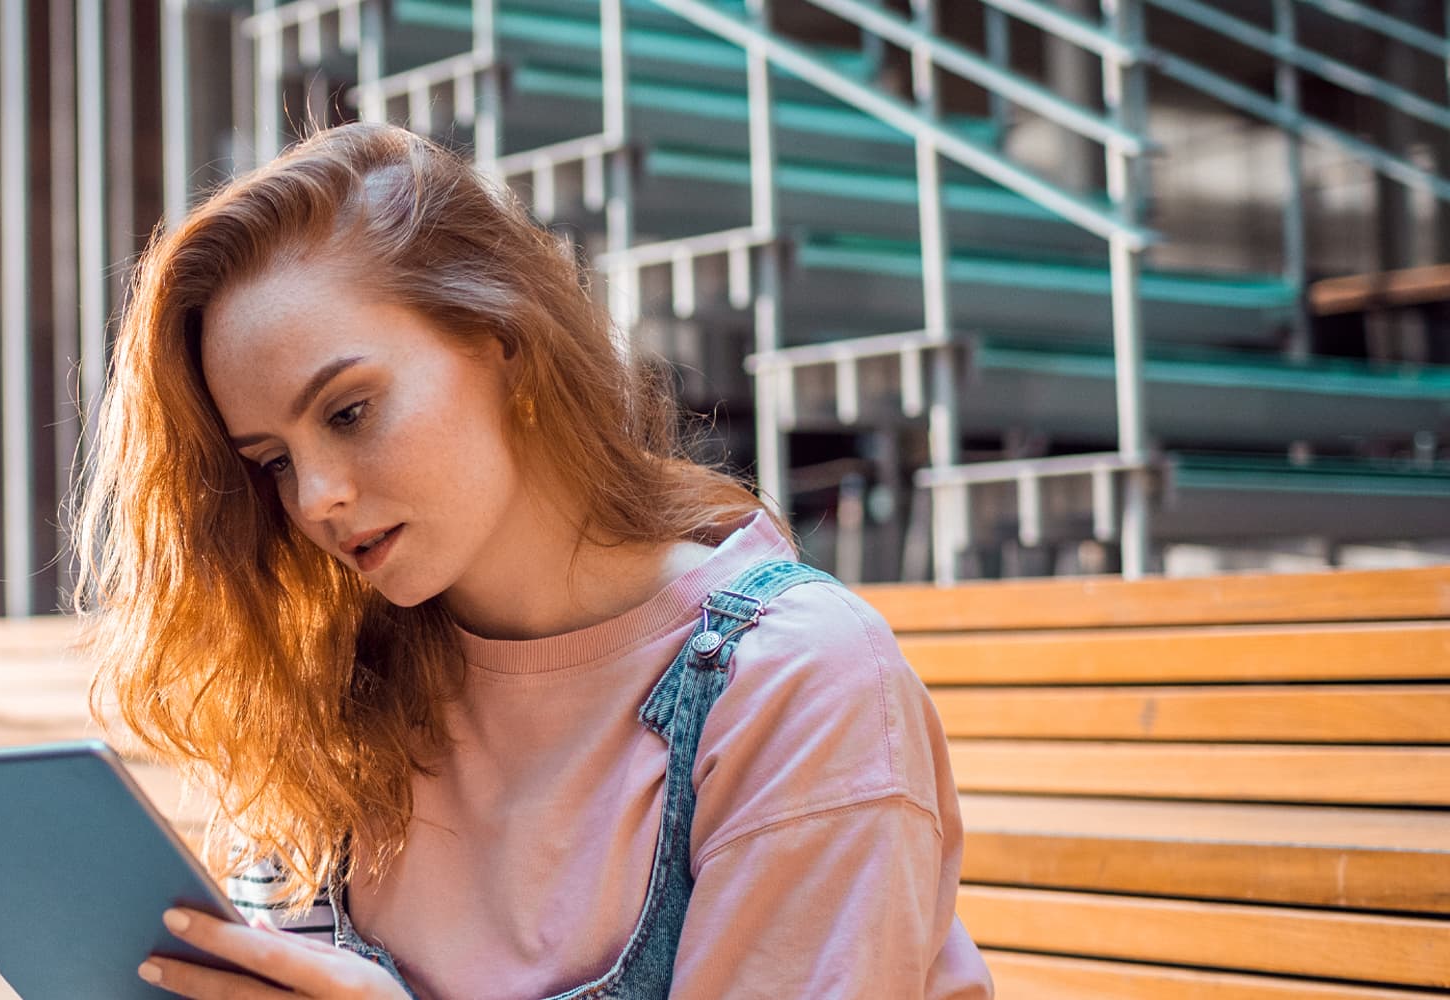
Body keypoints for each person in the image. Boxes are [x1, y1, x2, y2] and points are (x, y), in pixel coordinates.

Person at [67, 121, 994, 999]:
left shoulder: (796, 685)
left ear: (504, 346)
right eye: (272, 462)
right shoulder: (355, 688)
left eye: (348, 413)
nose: (314, 500)